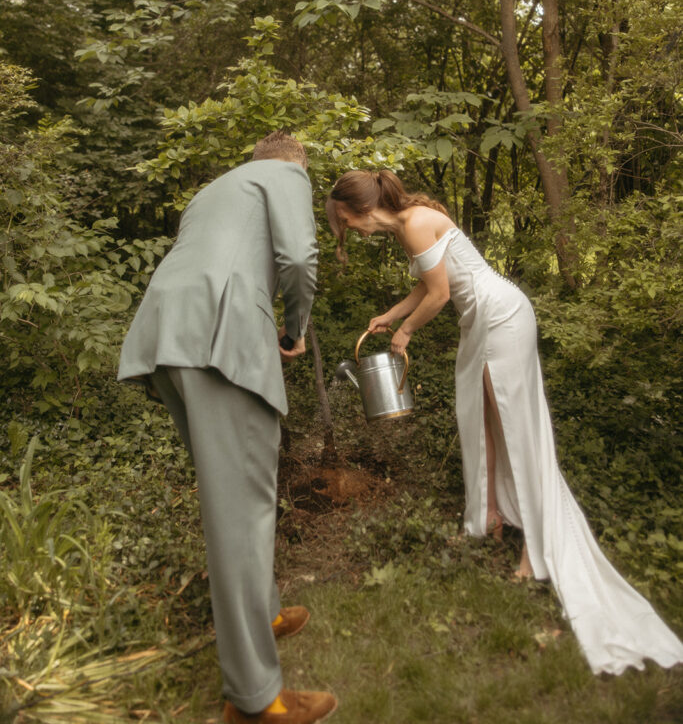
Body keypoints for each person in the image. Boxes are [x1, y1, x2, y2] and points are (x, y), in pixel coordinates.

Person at [326, 168, 683, 676]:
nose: (352, 232)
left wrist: (404, 333)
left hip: (501, 319)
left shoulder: (413, 222)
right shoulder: (411, 223)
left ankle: (535, 552)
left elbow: (440, 297)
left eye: (345, 222)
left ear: (361, 209)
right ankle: (488, 519)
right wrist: (390, 315)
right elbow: (433, 285)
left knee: (515, 429)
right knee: (485, 419)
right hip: (487, 321)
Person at [118, 131, 337, 724]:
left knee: (237, 497)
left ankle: (263, 612)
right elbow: (297, 259)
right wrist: (294, 328)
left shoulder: (213, 190)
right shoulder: (286, 175)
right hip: (220, 336)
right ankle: (255, 697)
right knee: (241, 509)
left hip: (168, 334)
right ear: (294, 162)